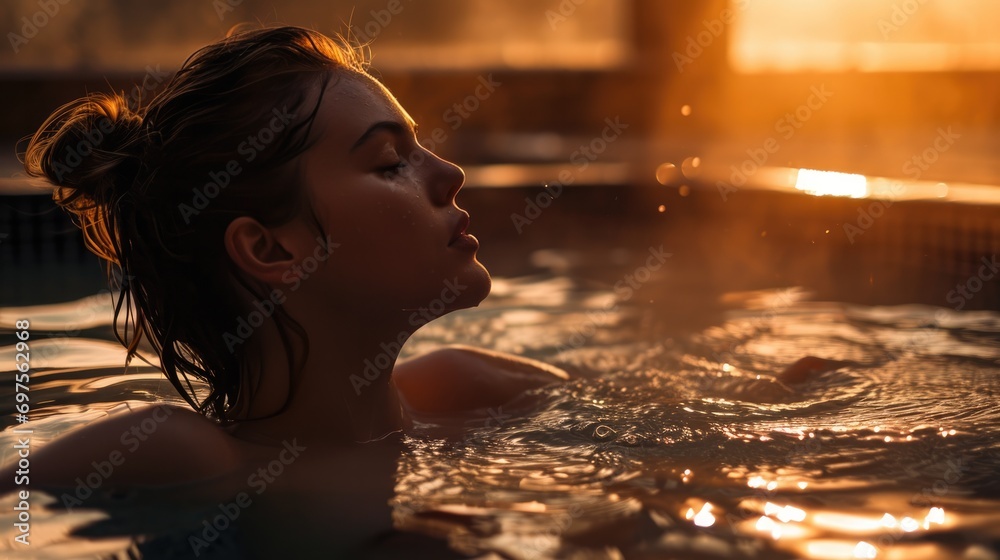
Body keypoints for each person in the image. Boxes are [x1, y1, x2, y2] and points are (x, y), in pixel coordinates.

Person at [2, 25, 572, 554]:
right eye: (391, 161)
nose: (451, 174)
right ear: (272, 250)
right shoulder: (178, 452)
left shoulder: (475, 392)